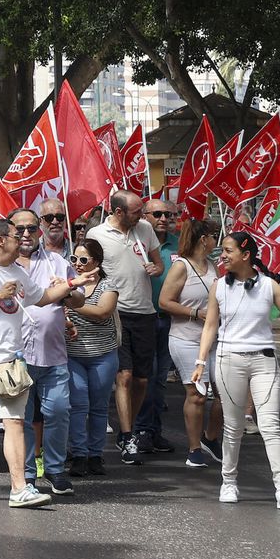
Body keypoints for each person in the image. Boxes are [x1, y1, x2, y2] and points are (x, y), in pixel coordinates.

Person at [0, 218, 81, 508]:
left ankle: (19, 487)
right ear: (0, 240)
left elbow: (43, 297)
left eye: (27, 231)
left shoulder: (17, 272)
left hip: (11, 360)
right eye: (15, 234)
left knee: (15, 422)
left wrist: (73, 284)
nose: (23, 237)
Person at [194, 231, 280, 509]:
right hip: (228, 360)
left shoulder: (270, 286)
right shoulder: (218, 287)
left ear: (246, 255)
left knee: (270, 426)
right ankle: (229, 482)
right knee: (233, 426)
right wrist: (200, 362)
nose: (222, 256)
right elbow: (210, 326)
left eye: (228, 251)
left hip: (264, 362)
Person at [11, 207, 84, 497]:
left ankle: (54, 469)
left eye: (31, 228)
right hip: (17, 357)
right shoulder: (2, 265)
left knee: (58, 411)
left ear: (39, 229)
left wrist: (67, 290)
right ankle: (28, 474)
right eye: (19, 229)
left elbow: (79, 300)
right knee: (23, 418)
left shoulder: (57, 262)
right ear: (10, 231)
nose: (26, 234)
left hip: (53, 355)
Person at [87, 189, 164, 465]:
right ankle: (128, 435)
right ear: (118, 212)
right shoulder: (97, 234)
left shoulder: (144, 229)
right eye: (136, 211)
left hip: (145, 312)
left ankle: (126, 428)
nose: (142, 215)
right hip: (117, 313)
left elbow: (158, 263)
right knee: (125, 376)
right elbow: (90, 270)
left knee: (142, 379)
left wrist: (156, 268)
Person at [157, 217, 224, 468]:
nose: (216, 241)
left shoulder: (213, 265)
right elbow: (164, 302)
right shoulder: (181, 266)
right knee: (196, 394)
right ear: (203, 239)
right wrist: (196, 313)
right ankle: (194, 448)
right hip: (185, 338)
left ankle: (210, 437)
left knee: (225, 393)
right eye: (214, 236)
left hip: (213, 339)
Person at [66, 238, 120, 478]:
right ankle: (79, 455)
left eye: (83, 259)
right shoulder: (68, 284)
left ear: (96, 262)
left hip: (103, 355)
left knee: (99, 407)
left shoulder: (108, 284)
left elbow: (103, 312)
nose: (77, 264)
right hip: (73, 355)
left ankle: (95, 455)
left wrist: (70, 303)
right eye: (74, 259)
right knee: (77, 406)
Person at [134, 198, 179, 453]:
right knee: (145, 378)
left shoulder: (178, 244)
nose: (164, 219)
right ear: (145, 216)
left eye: (168, 214)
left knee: (160, 379)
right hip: (143, 319)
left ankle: (154, 430)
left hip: (170, 320)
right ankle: (139, 430)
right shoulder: (137, 241)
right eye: (158, 214)